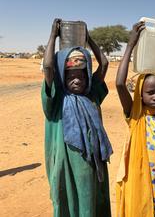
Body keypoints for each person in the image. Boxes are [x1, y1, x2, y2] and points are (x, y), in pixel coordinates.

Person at [41, 18, 113, 217]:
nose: (76, 80)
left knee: (90, 203)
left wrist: (88, 39)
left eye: (81, 75)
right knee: (69, 203)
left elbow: (104, 63)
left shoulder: (92, 94)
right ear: (63, 78)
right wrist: (53, 36)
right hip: (66, 166)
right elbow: (48, 68)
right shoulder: (57, 100)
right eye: (70, 75)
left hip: (91, 164)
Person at [116, 21, 155, 217]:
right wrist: (130, 45)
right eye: (150, 92)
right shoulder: (135, 115)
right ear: (140, 94)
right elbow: (119, 83)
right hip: (138, 182)